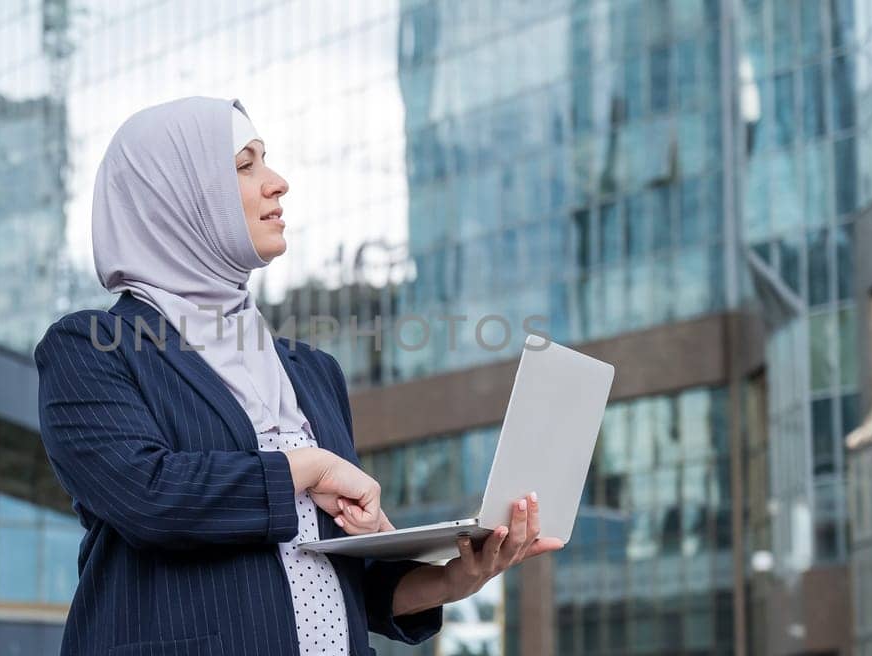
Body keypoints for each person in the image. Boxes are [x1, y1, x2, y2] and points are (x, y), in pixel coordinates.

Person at [35, 96, 562, 655]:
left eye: (266, 160)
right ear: (175, 197)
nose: (277, 182)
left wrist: (456, 578)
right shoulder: (90, 348)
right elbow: (150, 498)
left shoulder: (312, 371)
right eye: (245, 165)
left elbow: (342, 579)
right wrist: (308, 467)